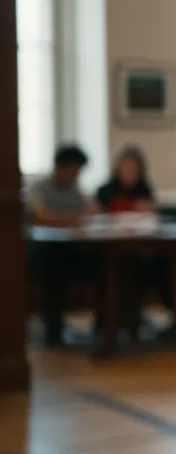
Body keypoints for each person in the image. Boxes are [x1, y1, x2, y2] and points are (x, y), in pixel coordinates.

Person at [26, 144, 98, 345]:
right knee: (53, 269)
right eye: (74, 171)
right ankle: (53, 330)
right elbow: (40, 216)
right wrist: (72, 219)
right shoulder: (39, 188)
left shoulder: (76, 190)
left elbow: (93, 213)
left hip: (73, 249)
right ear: (61, 167)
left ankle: (105, 327)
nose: (76, 176)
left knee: (104, 263)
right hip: (43, 252)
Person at [96, 144, 156, 213]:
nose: (129, 172)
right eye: (126, 167)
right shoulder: (105, 191)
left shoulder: (145, 190)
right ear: (119, 169)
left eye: (133, 168)